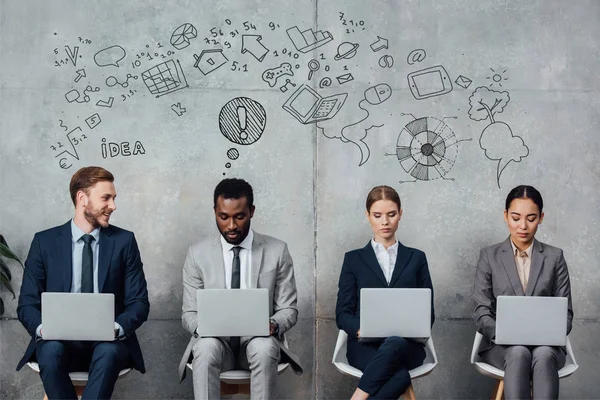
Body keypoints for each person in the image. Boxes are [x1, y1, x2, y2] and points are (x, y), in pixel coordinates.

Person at [16, 166, 150, 399]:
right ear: (82, 198)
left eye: (114, 198)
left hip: (107, 341)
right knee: (48, 351)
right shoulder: (44, 242)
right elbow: (27, 304)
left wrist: (115, 329)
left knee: (110, 352)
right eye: (106, 198)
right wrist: (42, 329)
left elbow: (139, 303)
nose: (113, 206)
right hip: (58, 340)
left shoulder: (124, 241)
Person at [178, 178, 303, 399]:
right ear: (215, 211)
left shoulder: (277, 251)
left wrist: (273, 324)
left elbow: (288, 309)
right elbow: (189, 313)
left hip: (257, 341)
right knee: (205, 349)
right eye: (223, 217)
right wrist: (203, 327)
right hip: (217, 344)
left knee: (264, 349)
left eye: (239, 216)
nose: (231, 225)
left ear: (251, 211)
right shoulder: (198, 254)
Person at [473, 185, 573, 399]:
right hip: (501, 346)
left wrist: (545, 336)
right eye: (516, 218)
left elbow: (566, 314)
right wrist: (507, 335)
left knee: (544, 354)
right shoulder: (489, 256)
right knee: (518, 351)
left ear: (541, 218)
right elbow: (482, 312)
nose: (523, 226)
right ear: (505, 216)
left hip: (546, 346)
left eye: (531, 218)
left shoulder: (555, 258)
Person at [336, 185, 434, 400]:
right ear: (368, 216)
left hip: (406, 346)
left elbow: (429, 313)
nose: (385, 222)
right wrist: (361, 330)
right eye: (377, 215)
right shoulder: (353, 259)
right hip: (365, 346)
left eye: (391, 214)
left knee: (396, 342)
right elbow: (342, 313)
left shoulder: (417, 258)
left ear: (400, 214)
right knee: (399, 378)